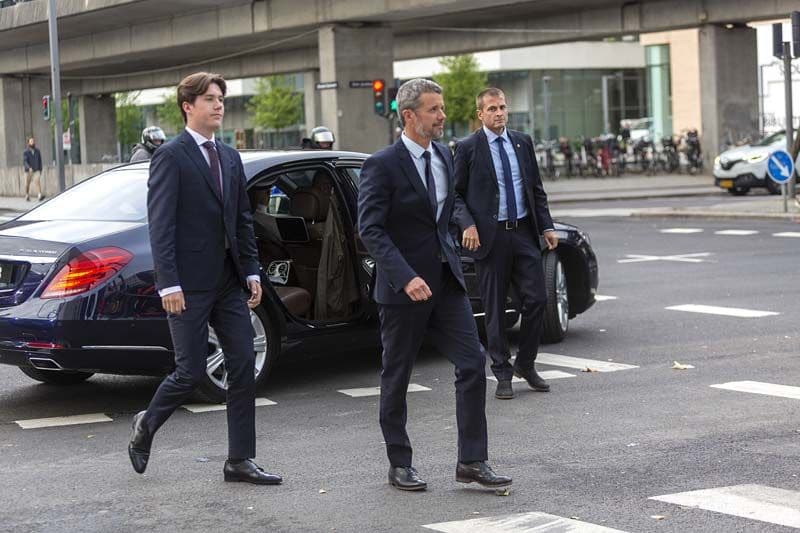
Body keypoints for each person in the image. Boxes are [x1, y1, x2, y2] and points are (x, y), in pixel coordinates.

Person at [128, 72, 281, 485]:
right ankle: (147, 425)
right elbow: (161, 226)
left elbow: (241, 220)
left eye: (221, 99)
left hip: (229, 281)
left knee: (243, 364)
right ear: (187, 106)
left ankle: (240, 461)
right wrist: (169, 283)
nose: (218, 106)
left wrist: (251, 269)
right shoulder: (171, 156)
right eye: (210, 99)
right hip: (189, 285)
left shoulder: (230, 158)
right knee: (191, 371)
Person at [358, 78, 511, 492]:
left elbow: (445, 212)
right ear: (409, 116)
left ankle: (472, 461)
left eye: (442, 109)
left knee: (471, 362)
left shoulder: (444, 154)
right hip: (403, 288)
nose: (442, 116)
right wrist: (405, 276)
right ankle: (399, 462)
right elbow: (370, 229)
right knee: (398, 374)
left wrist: (463, 235)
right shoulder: (382, 164)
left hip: (446, 282)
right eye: (433, 110)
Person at [453, 87, 558, 400]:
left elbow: (535, 188)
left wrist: (547, 225)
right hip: (490, 237)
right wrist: (468, 224)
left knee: (538, 298)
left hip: (523, 232)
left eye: (502, 107)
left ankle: (525, 363)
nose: (499, 113)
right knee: (495, 309)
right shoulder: (469, 147)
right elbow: (456, 195)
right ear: (480, 114)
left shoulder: (522, 142)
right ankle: (502, 372)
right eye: (492, 109)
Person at [22, 137, 43, 202]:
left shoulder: (37, 151)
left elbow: (40, 160)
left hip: (36, 170)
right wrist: (29, 167)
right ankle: (27, 195)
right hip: (28, 171)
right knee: (27, 184)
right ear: (28, 143)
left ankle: (39, 195)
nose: (32, 142)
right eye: (31, 141)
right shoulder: (25, 152)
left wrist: (40, 169)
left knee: (37, 181)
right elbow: (25, 161)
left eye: (33, 141)